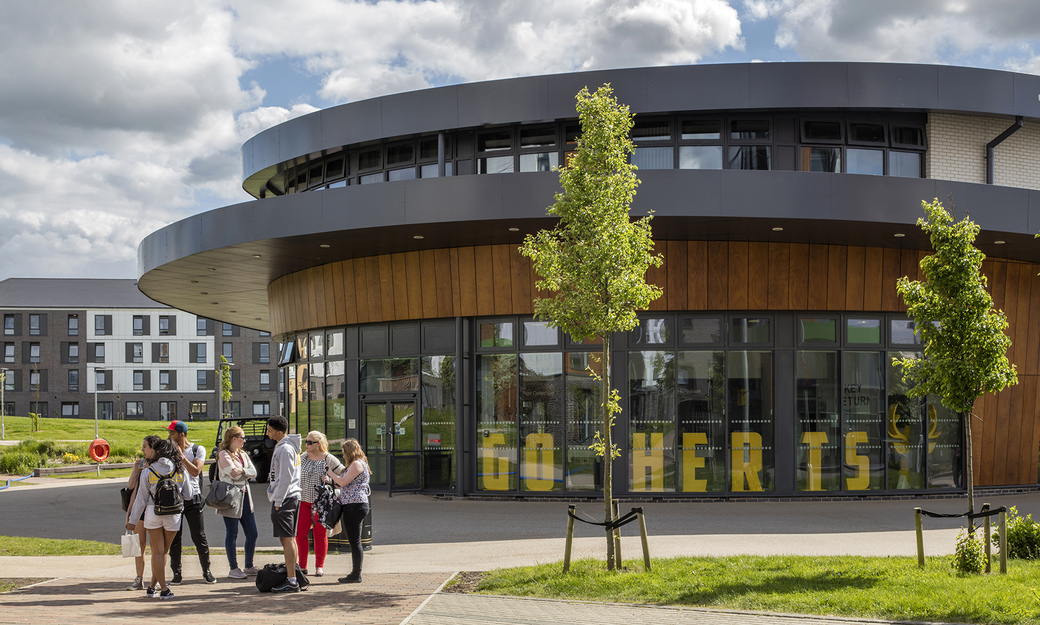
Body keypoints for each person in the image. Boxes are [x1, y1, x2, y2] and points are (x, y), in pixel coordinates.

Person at [126, 435, 191, 599]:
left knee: (157, 552)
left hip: (152, 514)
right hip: (173, 516)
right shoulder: (180, 469)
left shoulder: (148, 471)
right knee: (163, 552)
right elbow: (189, 494)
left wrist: (132, 521)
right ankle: (164, 589)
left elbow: (140, 499)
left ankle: (153, 587)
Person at [166, 420, 215, 584]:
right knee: (175, 537)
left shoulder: (197, 449)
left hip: (193, 498)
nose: (169, 436)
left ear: (181, 434)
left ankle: (206, 570)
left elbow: (195, 471)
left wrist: (180, 457)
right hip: (174, 498)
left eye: (172, 433)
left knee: (199, 536)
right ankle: (177, 573)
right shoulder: (168, 450)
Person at [296, 431, 344, 577]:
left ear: (319, 444)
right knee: (300, 534)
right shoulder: (301, 458)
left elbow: (344, 477)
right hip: (303, 501)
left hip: (321, 503)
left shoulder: (329, 459)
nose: (306, 445)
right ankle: (303, 566)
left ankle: (319, 566)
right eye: (306, 441)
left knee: (320, 534)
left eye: (310, 442)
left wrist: (330, 480)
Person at [216, 426, 259, 579]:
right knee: (232, 533)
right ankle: (233, 568)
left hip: (246, 498)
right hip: (231, 498)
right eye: (242, 437)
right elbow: (232, 474)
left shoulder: (243, 454)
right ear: (233, 439)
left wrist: (242, 471)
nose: (244, 440)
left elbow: (254, 472)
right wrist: (243, 472)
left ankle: (248, 565)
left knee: (253, 533)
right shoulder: (223, 454)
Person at [266, 415, 302, 592]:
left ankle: (292, 580)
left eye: (270, 430)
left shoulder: (285, 449)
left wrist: (278, 501)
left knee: (287, 539)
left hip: (286, 498)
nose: (268, 433)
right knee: (288, 538)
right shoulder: (284, 447)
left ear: (279, 432)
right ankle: (293, 575)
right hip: (288, 497)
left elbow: (286, 478)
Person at [327, 438, 370, 584]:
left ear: (350, 451)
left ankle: (356, 574)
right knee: (354, 541)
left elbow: (342, 482)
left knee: (355, 541)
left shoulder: (357, 464)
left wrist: (330, 473)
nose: (343, 455)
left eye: (344, 452)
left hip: (355, 505)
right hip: (353, 504)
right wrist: (329, 480)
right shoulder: (356, 464)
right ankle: (355, 573)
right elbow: (344, 485)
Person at [124, 448, 150, 591]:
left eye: (145, 447)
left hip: (153, 509)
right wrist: (136, 470)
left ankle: (156, 579)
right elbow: (131, 486)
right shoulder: (142, 465)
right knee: (139, 544)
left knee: (158, 546)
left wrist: (150, 470)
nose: (142, 450)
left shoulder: (160, 465)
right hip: (139, 509)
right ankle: (139, 578)